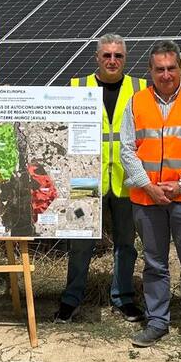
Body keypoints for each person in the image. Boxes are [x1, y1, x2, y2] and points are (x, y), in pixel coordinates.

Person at [122, 40, 181, 356]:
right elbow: (127, 149)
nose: (166, 75)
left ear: (180, 68)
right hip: (147, 199)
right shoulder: (136, 102)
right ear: (150, 71)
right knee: (154, 263)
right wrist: (148, 186)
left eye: (171, 68)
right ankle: (157, 322)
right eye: (159, 69)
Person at [55, 34, 147, 324]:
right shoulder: (77, 87)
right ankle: (72, 299)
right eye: (107, 55)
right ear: (97, 57)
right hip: (85, 178)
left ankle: (124, 298)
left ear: (125, 58)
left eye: (118, 56)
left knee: (126, 243)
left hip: (126, 177)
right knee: (80, 241)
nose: (112, 60)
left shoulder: (140, 88)